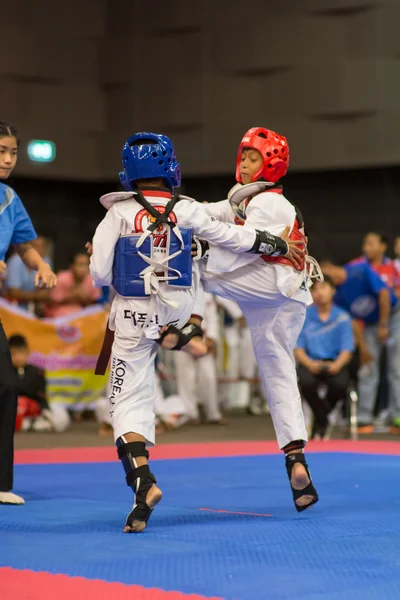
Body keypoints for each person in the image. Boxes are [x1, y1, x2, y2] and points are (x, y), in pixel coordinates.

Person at [89, 132, 302, 533]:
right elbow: (230, 235)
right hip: (176, 307)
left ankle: (143, 481)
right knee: (201, 257)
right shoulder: (186, 209)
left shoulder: (115, 215)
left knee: (126, 401)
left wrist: (109, 257)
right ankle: (186, 330)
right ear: (170, 168)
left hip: (133, 317)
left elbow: (99, 275)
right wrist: (272, 241)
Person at [170, 127, 322, 512]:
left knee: (195, 257)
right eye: (243, 155)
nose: (244, 162)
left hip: (274, 284)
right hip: (278, 302)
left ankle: (193, 320)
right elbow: (207, 211)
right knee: (278, 374)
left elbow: (245, 248)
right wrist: (163, 209)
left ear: (272, 163)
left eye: (253, 157)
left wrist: (200, 242)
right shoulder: (245, 199)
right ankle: (295, 458)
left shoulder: (271, 203)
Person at [0, 121, 57, 505]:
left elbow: (24, 244)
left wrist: (42, 265)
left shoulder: (8, 198)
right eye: (1, 152)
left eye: (13, 152)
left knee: (5, 386)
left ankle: (1, 483)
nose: (7, 159)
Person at [321, 259, 400, 431]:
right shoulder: (338, 294)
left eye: (325, 275)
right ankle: (364, 418)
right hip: (370, 325)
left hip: (393, 317)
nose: (326, 281)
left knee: (396, 369)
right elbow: (353, 321)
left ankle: (397, 417)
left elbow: (384, 295)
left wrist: (384, 325)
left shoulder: (360, 270)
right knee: (368, 369)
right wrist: (363, 348)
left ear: (329, 266)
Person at [295, 277, 354, 439]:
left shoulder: (342, 317)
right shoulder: (304, 315)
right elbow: (297, 347)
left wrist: (337, 365)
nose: (319, 292)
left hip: (334, 362)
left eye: (324, 288)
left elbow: (347, 349)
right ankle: (324, 419)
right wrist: (309, 363)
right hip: (311, 362)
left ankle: (320, 420)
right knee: (306, 383)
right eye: (316, 289)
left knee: (341, 384)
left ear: (333, 291)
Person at [174, 293, 223, 424]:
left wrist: (212, 339)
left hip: (204, 339)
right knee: (186, 379)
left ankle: (213, 413)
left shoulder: (205, 294)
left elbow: (213, 318)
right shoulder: (175, 292)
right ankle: (190, 413)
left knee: (208, 377)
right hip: (181, 339)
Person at [45, 251, 101, 318]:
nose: (83, 268)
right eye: (80, 264)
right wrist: (70, 296)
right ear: (72, 266)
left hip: (83, 312)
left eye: (86, 265)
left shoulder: (93, 280)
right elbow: (51, 302)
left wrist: (85, 298)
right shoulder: (61, 278)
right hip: (61, 311)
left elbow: (96, 302)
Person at [5, 236, 52, 314]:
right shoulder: (15, 261)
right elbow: (13, 293)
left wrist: (24, 296)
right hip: (9, 307)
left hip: (31, 309)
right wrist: (37, 296)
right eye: (36, 246)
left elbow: (45, 294)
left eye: (42, 247)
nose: (40, 250)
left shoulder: (46, 262)